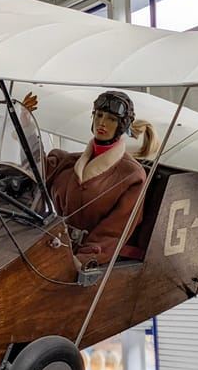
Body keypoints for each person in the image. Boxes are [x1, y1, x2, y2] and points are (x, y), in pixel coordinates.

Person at [43, 90, 159, 269]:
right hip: (55, 249)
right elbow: (36, 170)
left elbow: (115, 230)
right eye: (99, 115)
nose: (102, 123)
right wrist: (24, 123)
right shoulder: (68, 162)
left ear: (122, 125)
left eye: (112, 119)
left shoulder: (132, 176)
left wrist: (83, 258)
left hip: (89, 262)